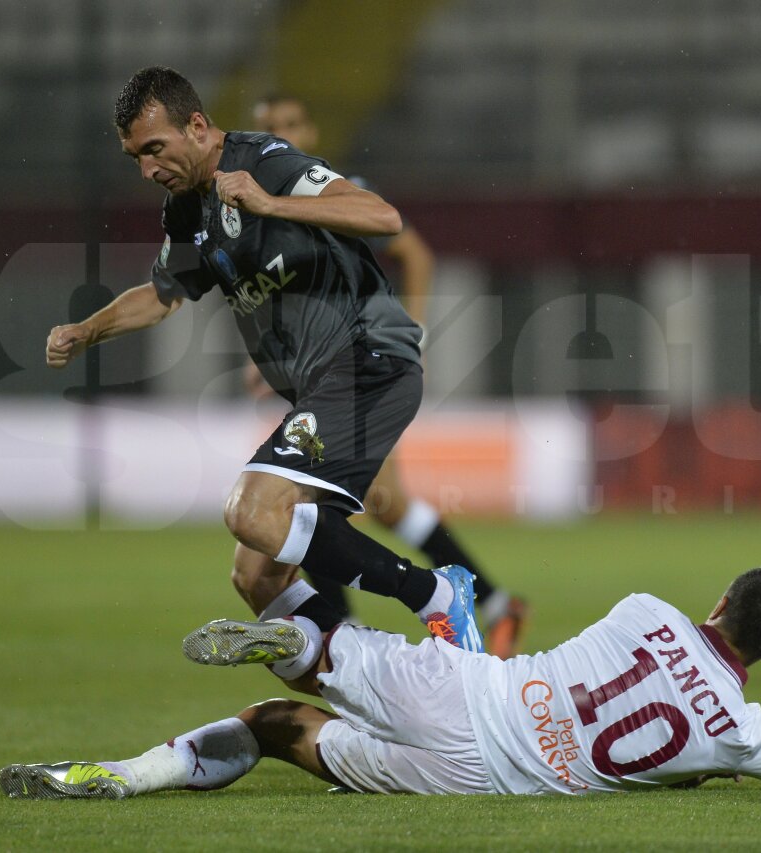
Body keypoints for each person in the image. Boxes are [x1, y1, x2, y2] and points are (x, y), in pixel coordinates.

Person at [44, 66, 480, 651]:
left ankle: (435, 595)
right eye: (134, 158)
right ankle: (367, 670)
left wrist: (270, 203)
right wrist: (86, 329)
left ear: (197, 126)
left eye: (154, 149)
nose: (147, 169)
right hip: (322, 388)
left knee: (252, 511)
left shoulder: (265, 162)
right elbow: (163, 295)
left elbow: (383, 217)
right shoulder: (184, 210)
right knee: (255, 577)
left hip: (367, 361)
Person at [0, 568, 761, 798]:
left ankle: (291, 639)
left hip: (472, 694)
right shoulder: (744, 733)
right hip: (479, 777)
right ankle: (113, 780)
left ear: (720, 598)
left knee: (326, 644)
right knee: (279, 730)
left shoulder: (644, 609)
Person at [248, 93, 528, 657]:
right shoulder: (259, 212)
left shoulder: (336, 193)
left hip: (364, 369)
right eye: (269, 128)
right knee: (383, 502)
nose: (281, 134)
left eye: (289, 123)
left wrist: (413, 329)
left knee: (317, 503)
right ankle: (494, 602)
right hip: (324, 374)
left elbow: (416, 253)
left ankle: (345, 637)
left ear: (311, 131)